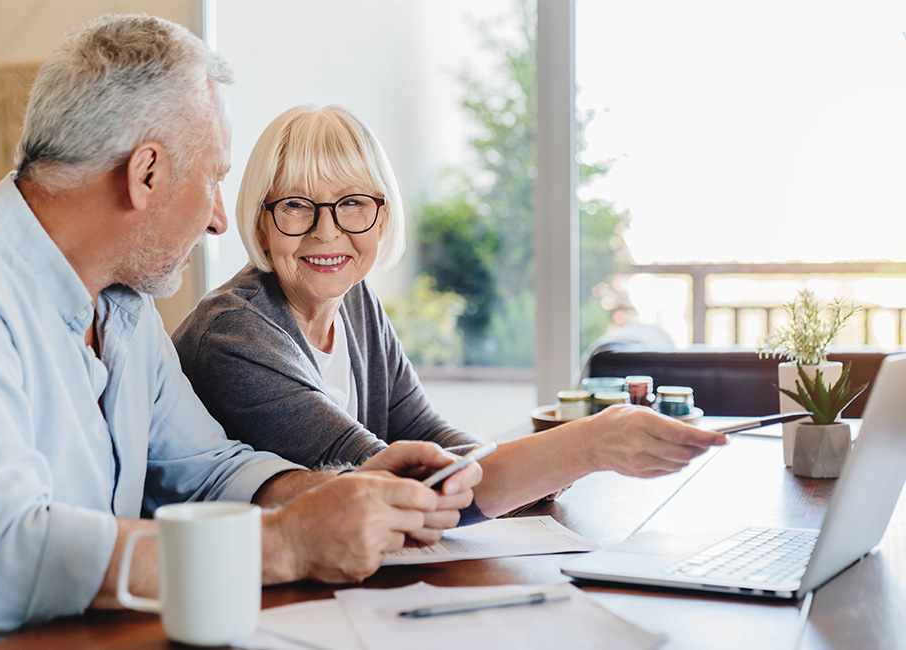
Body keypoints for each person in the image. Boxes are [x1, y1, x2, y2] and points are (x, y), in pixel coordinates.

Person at [0, 17, 480, 633]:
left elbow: (209, 469)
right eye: (213, 179)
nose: (217, 220)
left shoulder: (124, 308)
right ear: (145, 173)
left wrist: (344, 489)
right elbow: (2, 557)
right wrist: (284, 544)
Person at [172, 104, 728, 522]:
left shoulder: (356, 302)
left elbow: (427, 433)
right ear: (261, 221)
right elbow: (398, 487)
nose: (326, 231)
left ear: (382, 217)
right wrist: (584, 446)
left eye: (352, 205)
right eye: (295, 205)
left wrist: (532, 471)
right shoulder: (235, 334)